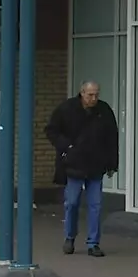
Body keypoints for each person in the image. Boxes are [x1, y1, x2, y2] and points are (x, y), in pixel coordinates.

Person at [45, 81, 120, 257]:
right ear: (82, 93)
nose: (93, 98)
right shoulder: (67, 109)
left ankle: (93, 243)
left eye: (96, 95)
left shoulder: (104, 111)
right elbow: (51, 130)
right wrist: (67, 147)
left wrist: (112, 164)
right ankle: (70, 237)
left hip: (96, 164)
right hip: (74, 164)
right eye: (90, 95)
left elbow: (112, 138)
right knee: (71, 203)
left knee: (96, 205)